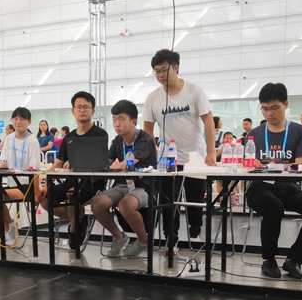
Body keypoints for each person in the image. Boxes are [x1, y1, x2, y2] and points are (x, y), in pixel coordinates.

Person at [246, 83, 302, 280]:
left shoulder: (300, 131)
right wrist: (255, 165)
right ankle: (268, 260)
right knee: (273, 206)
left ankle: (294, 259)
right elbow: (246, 164)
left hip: (288, 187)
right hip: (260, 187)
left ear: (285, 104)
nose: (269, 113)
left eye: (274, 108)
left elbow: (301, 164)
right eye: (264, 109)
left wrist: (274, 164)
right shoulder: (254, 134)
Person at [143, 48, 216, 244]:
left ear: (176, 68)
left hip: (195, 158)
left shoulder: (194, 91)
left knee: (195, 200)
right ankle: (171, 239)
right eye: (156, 71)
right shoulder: (152, 98)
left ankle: (195, 234)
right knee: (168, 202)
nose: (160, 75)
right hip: (168, 160)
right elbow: (148, 130)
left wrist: (211, 153)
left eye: (164, 70)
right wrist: (153, 156)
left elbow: (208, 121)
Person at [37, 91, 108, 247]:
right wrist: (47, 184)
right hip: (72, 181)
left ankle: (74, 228)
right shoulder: (69, 137)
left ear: (93, 111)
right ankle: (79, 219)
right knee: (44, 198)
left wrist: (80, 181)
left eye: (86, 107)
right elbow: (58, 163)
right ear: (73, 111)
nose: (82, 110)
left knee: (72, 196)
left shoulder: (99, 134)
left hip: (93, 181)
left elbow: (98, 164)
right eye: (79, 107)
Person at [92, 99, 157, 258]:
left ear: (133, 121)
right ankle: (119, 237)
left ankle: (143, 240)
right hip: (122, 185)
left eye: (121, 119)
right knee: (97, 203)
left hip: (144, 186)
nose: (116, 123)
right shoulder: (118, 141)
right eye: (114, 119)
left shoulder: (145, 139)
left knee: (125, 204)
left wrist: (105, 167)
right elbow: (106, 161)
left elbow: (125, 164)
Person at [0, 107, 41, 244]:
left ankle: (8, 229)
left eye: (22, 119)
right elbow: (3, 164)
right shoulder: (8, 139)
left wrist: (36, 193)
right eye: (15, 118)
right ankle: (9, 227)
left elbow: (36, 171)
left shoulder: (32, 141)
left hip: (26, 186)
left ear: (29, 122)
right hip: (10, 184)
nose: (18, 121)